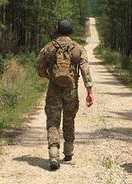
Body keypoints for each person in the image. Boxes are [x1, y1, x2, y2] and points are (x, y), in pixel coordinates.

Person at [36, 19, 95, 171]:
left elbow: (39, 68)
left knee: (53, 121)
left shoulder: (50, 47)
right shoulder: (77, 48)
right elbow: (85, 70)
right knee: (69, 119)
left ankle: (53, 154)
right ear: (70, 31)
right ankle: (68, 152)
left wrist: (50, 75)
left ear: (58, 30)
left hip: (54, 89)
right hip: (71, 90)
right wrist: (89, 91)